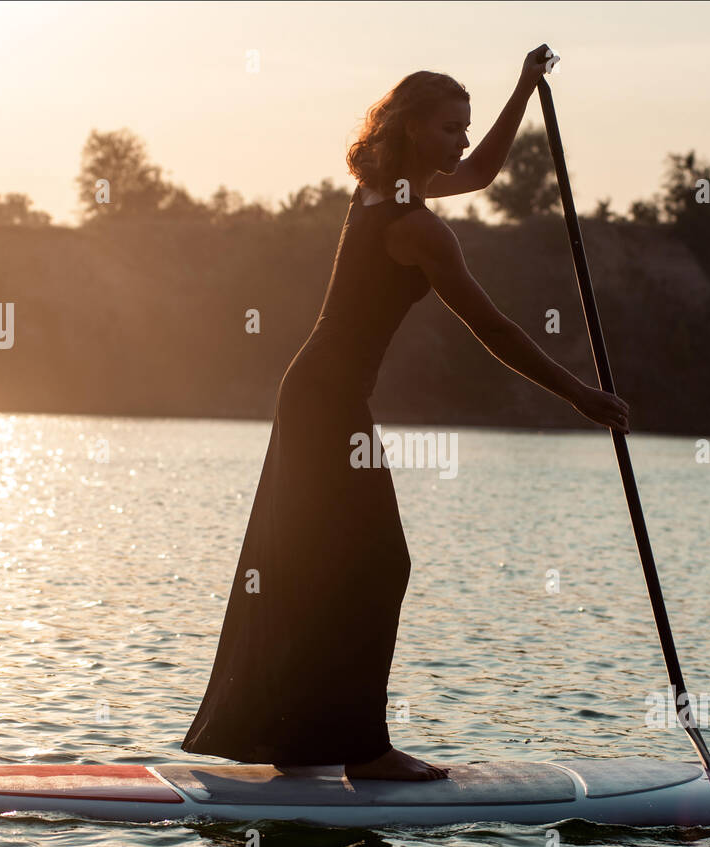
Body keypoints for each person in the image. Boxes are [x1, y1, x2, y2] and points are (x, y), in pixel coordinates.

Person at [180, 44, 630, 781]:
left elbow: (482, 173)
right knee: (380, 561)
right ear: (415, 129)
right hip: (327, 403)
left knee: (324, 564)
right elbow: (494, 330)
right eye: (451, 127)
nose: (460, 141)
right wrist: (578, 393)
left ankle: (300, 742)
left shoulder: (377, 194)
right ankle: (363, 750)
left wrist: (522, 87)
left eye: (465, 126)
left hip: (317, 395)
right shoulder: (415, 226)